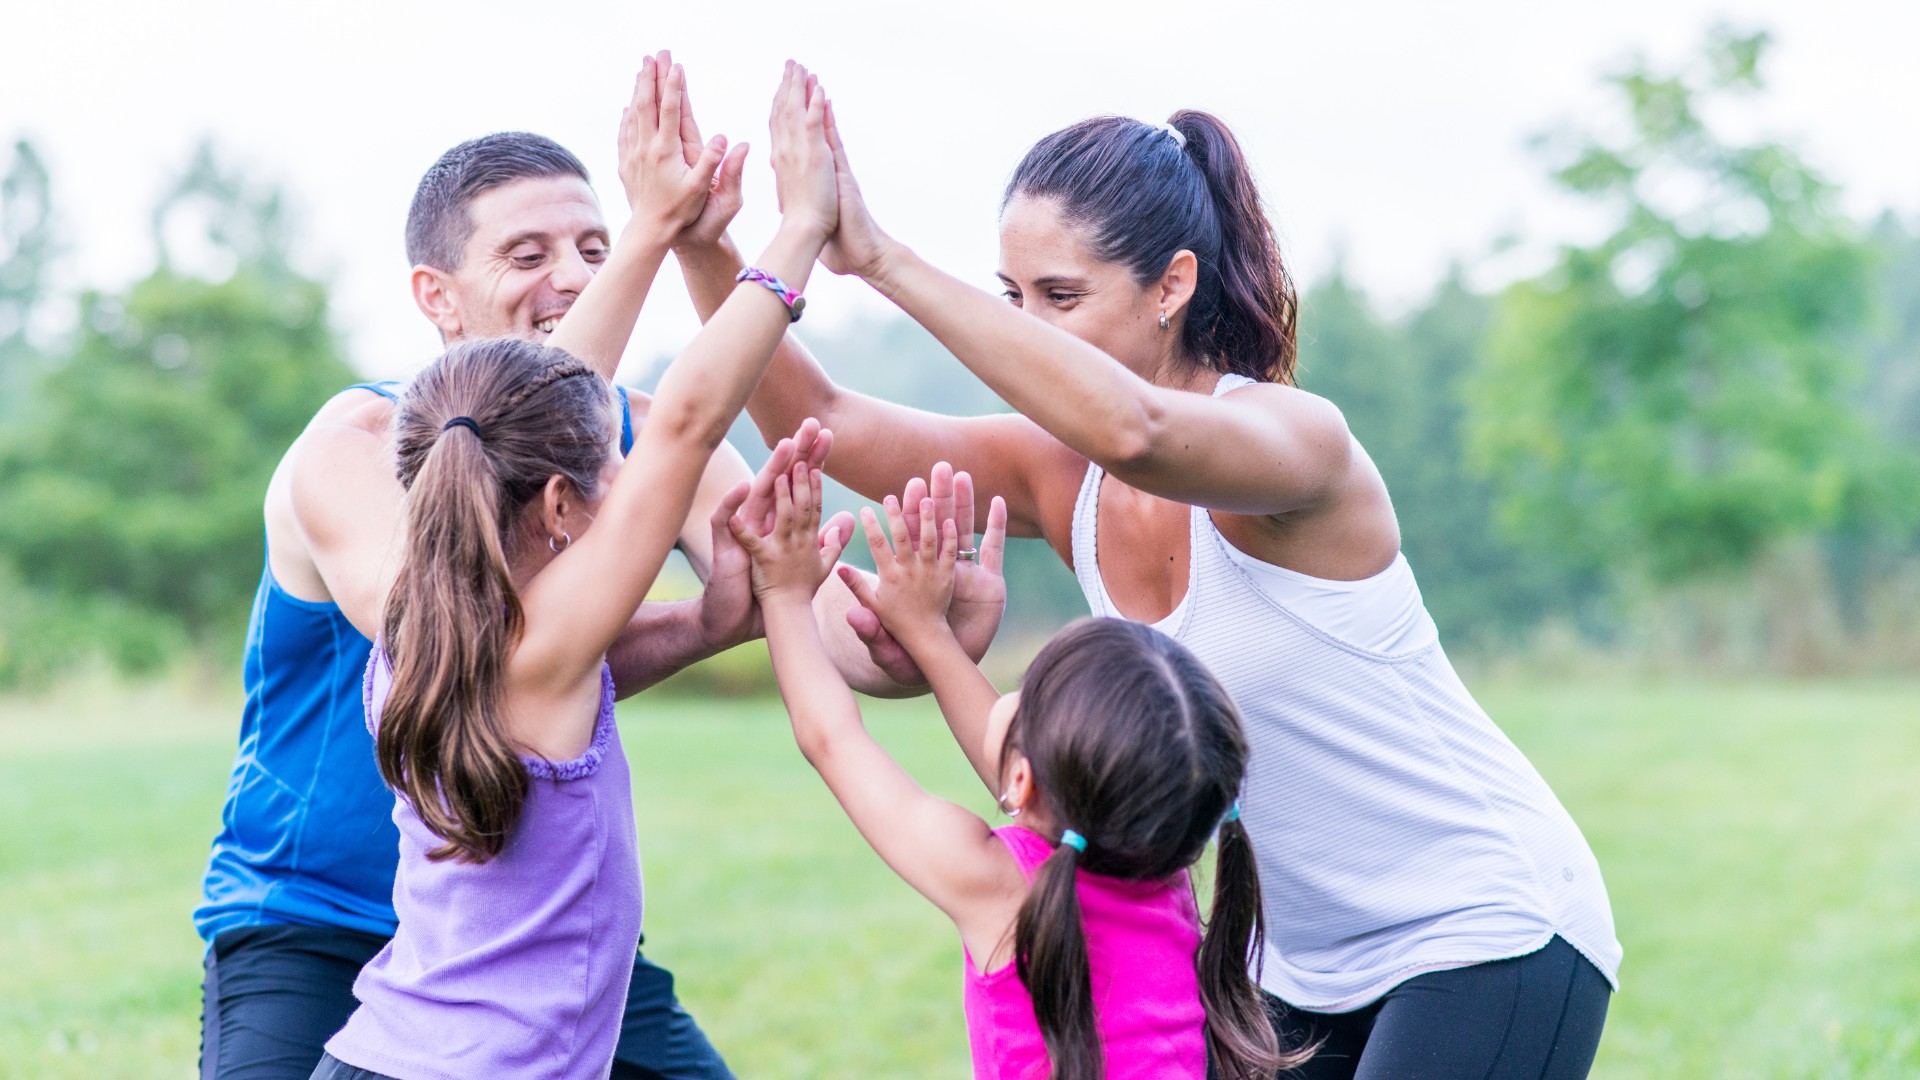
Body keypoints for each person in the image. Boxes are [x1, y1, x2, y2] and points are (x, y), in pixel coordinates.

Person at [702, 97, 1621, 1078]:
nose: (1029, 332)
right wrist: (706, 247)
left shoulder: (1296, 443)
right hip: (1292, 971)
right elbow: (822, 416)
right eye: (1011, 298)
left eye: (1060, 297)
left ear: (1171, 285)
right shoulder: (1063, 476)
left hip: (1483, 926)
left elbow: (1134, 429)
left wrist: (880, 257)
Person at [195, 55, 1001, 1080]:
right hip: (315, 917)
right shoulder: (352, 447)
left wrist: (925, 632)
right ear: (434, 296)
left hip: (535, 926)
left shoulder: (651, 441)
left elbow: (811, 622)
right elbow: (472, 628)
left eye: (594, 244)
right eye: (528, 252)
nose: (574, 274)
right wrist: (671, 235)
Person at [310, 59, 838, 1080]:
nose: (626, 480)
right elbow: (683, 419)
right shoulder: (542, 650)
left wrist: (713, 617)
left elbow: (598, 418)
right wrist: (797, 232)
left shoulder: (420, 634)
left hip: (378, 1056)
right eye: (609, 472)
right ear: (560, 506)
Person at [728, 455, 1300, 1080]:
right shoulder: (1161, 870)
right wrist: (926, 634)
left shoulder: (999, 887)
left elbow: (833, 739)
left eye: (1020, 696)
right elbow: (1048, 777)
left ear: (1022, 779)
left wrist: (782, 592)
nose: (1000, 707)